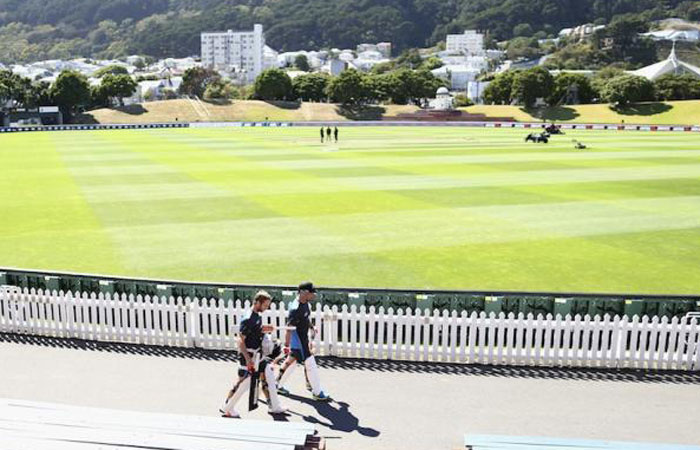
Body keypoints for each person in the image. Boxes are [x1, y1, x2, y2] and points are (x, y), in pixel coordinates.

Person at [219, 290, 287, 418]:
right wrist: (248, 359)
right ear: (257, 303)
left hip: (258, 356)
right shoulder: (248, 318)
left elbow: (255, 331)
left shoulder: (256, 316)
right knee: (243, 383)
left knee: (269, 378)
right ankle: (227, 406)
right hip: (249, 356)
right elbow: (240, 341)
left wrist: (264, 328)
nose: (266, 308)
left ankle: (275, 406)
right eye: (265, 305)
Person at [277, 282, 331, 401]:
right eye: (312, 293)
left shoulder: (305, 303)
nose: (314, 296)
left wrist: (311, 326)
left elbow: (305, 319)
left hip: (302, 341)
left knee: (291, 364)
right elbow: (289, 328)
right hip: (299, 343)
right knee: (311, 365)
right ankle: (317, 392)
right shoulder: (295, 309)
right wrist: (286, 346)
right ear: (304, 292)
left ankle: (277, 385)